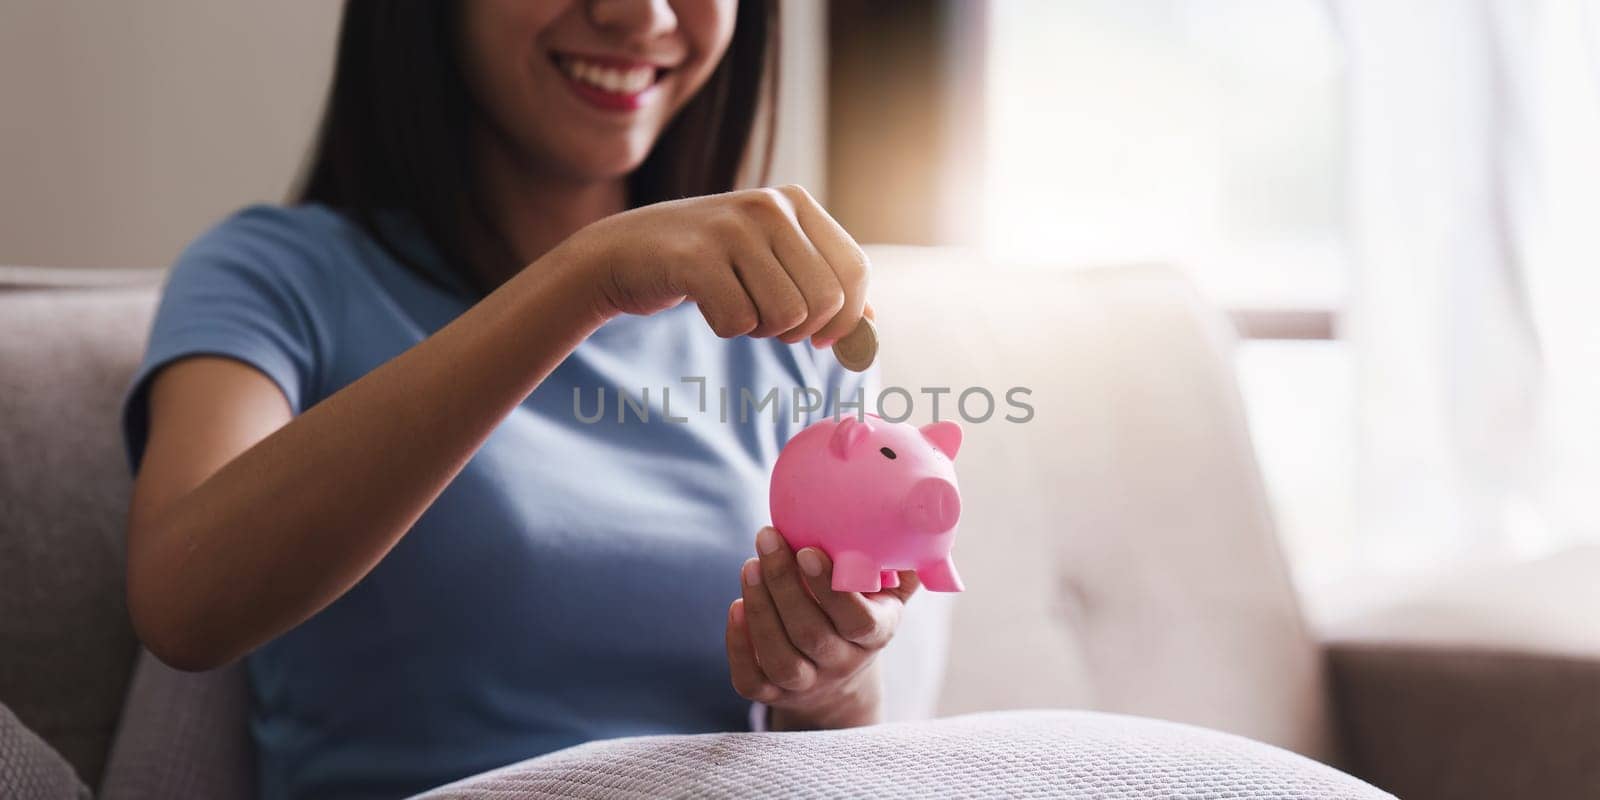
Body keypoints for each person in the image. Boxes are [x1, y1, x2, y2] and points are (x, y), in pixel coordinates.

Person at [119, 1, 933, 798]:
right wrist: (587, 278)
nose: (639, 15)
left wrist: (828, 685)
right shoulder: (278, 275)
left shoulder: (793, 325)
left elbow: (824, 746)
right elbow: (183, 606)